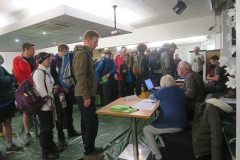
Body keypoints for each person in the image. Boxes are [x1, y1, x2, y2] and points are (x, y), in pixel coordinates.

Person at [73, 30, 104, 160]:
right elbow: (80, 75)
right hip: (83, 94)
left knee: (88, 122)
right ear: (88, 41)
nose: (97, 45)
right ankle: (88, 153)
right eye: (95, 42)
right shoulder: (82, 54)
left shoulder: (86, 53)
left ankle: (90, 147)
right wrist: (86, 96)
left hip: (86, 93)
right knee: (91, 123)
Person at [143, 75, 188, 160]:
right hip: (183, 123)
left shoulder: (164, 90)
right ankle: (166, 147)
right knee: (158, 128)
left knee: (146, 129)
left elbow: (152, 97)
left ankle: (157, 156)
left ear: (162, 83)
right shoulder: (180, 90)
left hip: (172, 124)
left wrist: (156, 92)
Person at [50, 43, 81, 148]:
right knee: (60, 114)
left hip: (68, 91)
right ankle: (60, 137)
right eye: (67, 52)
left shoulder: (66, 60)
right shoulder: (54, 61)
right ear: (64, 50)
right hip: (58, 92)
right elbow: (52, 78)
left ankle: (71, 130)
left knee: (69, 111)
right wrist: (60, 87)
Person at [34, 52, 63, 160]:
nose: (50, 61)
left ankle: (51, 147)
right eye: (48, 59)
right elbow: (41, 90)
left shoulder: (46, 71)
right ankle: (45, 153)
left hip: (49, 104)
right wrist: (49, 103)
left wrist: (53, 88)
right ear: (41, 60)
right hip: (44, 106)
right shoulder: (38, 72)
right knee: (45, 129)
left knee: (50, 127)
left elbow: (48, 87)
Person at [0, 55, 24, 160]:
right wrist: (6, 81)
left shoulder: (1, 68)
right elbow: (2, 80)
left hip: (6, 101)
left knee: (7, 123)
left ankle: (10, 146)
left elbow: (11, 77)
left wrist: (6, 81)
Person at [13, 42, 36, 145]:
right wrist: (29, 83)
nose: (34, 51)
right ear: (26, 49)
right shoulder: (17, 60)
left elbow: (38, 71)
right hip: (24, 89)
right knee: (26, 111)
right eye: (32, 49)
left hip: (35, 87)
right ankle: (27, 133)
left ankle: (41, 130)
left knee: (39, 108)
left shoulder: (35, 59)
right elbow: (18, 75)